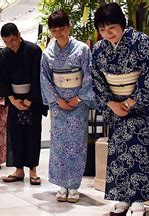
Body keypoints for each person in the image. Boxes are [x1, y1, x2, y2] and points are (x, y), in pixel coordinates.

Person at [91, 3, 149, 215]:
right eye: (102, 30)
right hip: (116, 107)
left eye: (111, 28)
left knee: (141, 151)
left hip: (141, 107)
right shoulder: (98, 49)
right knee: (119, 153)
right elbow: (96, 80)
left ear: (122, 25)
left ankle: (139, 200)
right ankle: (122, 197)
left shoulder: (141, 42)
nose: (107, 34)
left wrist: (131, 101)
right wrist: (111, 104)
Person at [40, 10, 95, 203]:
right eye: (54, 30)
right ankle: (61, 184)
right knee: (59, 145)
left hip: (78, 103)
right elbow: (45, 79)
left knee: (76, 145)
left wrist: (79, 98)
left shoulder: (82, 49)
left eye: (61, 29)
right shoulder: (47, 53)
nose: (58, 33)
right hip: (58, 105)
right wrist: (56, 100)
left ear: (69, 26)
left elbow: (89, 74)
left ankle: (74, 186)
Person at [0, 23, 47, 185]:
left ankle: (33, 170)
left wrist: (29, 100)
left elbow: (38, 77)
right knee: (15, 135)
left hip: (32, 99)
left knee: (32, 134)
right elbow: (2, 80)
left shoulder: (33, 50)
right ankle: (19, 169)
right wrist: (12, 100)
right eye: (6, 42)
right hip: (14, 100)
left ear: (19, 34)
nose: (10, 45)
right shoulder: (3, 55)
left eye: (12, 40)